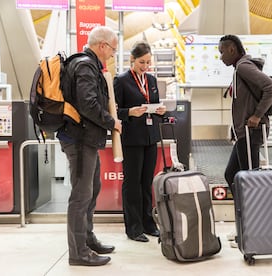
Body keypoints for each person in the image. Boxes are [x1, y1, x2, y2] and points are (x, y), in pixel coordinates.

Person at [57, 26, 122, 266]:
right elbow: (88, 104)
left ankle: (87, 239)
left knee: (92, 189)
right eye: (113, 49)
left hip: (86, 139)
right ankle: (78, 253)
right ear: (102, 45)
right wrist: (111, 122)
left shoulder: (87, 64)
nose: (113, 54)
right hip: (79, 139)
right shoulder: (85, 65)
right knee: (81, 196)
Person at [218, 34, 272, 245]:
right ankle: (246, 225)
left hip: (251, 132)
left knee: (250, 182)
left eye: (222, 52)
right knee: (232, 175)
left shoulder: (243, 67)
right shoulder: (240, 69)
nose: (220, 57)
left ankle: (254, 230)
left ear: (232, 50)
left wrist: (256, 116)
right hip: (243, 133)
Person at [114, 41, 166, 242]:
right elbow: (114, 110)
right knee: (132, 183)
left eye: (148, 62)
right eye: (142, 62)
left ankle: (148, 223)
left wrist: (160, 111)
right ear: (132, 60)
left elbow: (152, 105)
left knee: (147, 183)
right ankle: (133, 228)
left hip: (150, 138)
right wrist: (129, 112)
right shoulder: (121, 80)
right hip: (132, 139)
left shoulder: (151, 80)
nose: (145, 66)